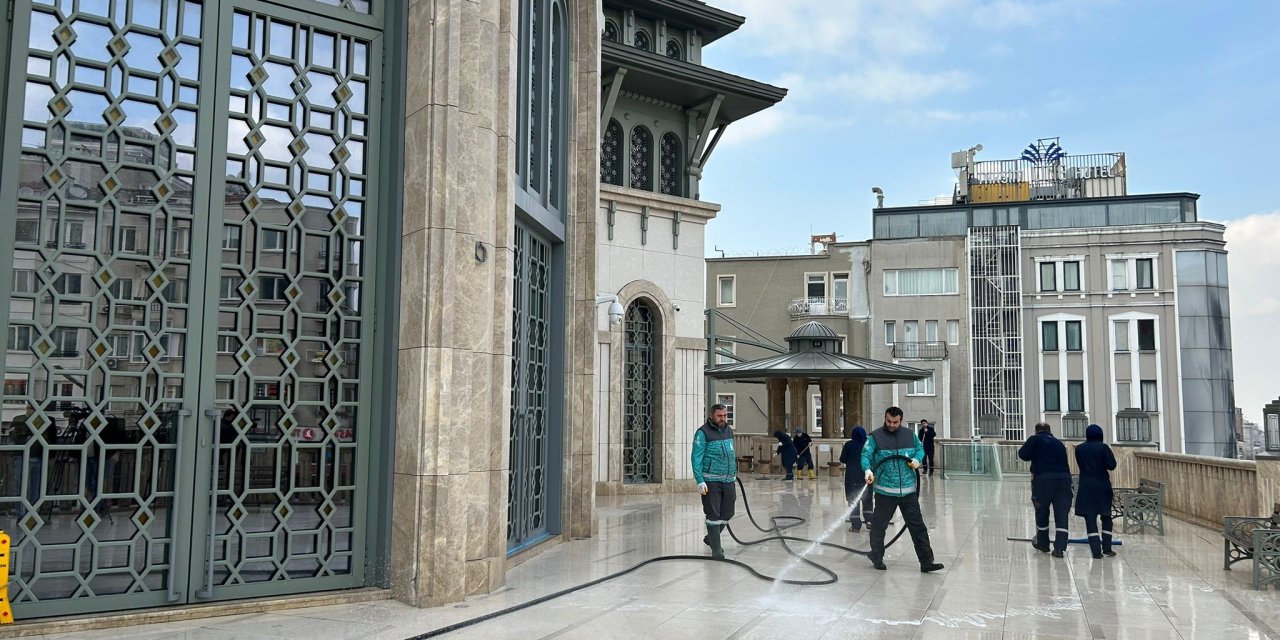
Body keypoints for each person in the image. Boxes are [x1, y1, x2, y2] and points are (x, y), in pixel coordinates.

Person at [862, 406, 943, 573]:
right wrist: (867, 469)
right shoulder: (875, 437)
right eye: (888, 421)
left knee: (918, 527)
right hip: (885, 492)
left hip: (908, 491)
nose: (891, 425)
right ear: (885, 419)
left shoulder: (909, 435)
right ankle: (876, 555)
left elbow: (920, 450)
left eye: (895, 422)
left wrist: (916, 459)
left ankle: (926, 561)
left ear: (900, 420)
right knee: (879, 526)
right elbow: (865, 455)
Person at [1018, 421, 1073, 557]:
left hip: (1043, 481)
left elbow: (1023, 455)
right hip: (1064, 481)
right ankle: (1060, 548)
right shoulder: (1059, 443)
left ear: (1036, 431)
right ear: (1050, 431)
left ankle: (1043, 543)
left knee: (1042, 511)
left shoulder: (1034, 439)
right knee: (1061, 514)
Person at [692, 404, 736, 560]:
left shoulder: (728, 430)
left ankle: (711, 538)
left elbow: (731, 452)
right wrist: (699, 480)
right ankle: (716, 550)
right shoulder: (702, 433)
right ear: (711, 415)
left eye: (725, 415)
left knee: (728, 513)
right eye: (720, 416)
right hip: (710, 480)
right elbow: (695, 458)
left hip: (729, 479)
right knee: (713, 514)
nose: (723, 418)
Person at [1074, 424, 1117, 559]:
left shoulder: (1079, 449)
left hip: (1086, 486)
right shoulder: (1103, 447)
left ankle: (1096, 551)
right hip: (1102, 486)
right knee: (1106, 517)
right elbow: (1112, 465)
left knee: (1090, 519)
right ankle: (1107, 548)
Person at [840, 426, 873, 531]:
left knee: (853, 500)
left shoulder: (849, 445)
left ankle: (855, 525)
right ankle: (869, 521)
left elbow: (842, 459)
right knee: (868, 500)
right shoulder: (868, 445)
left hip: (852, 477)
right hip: (866, 476)